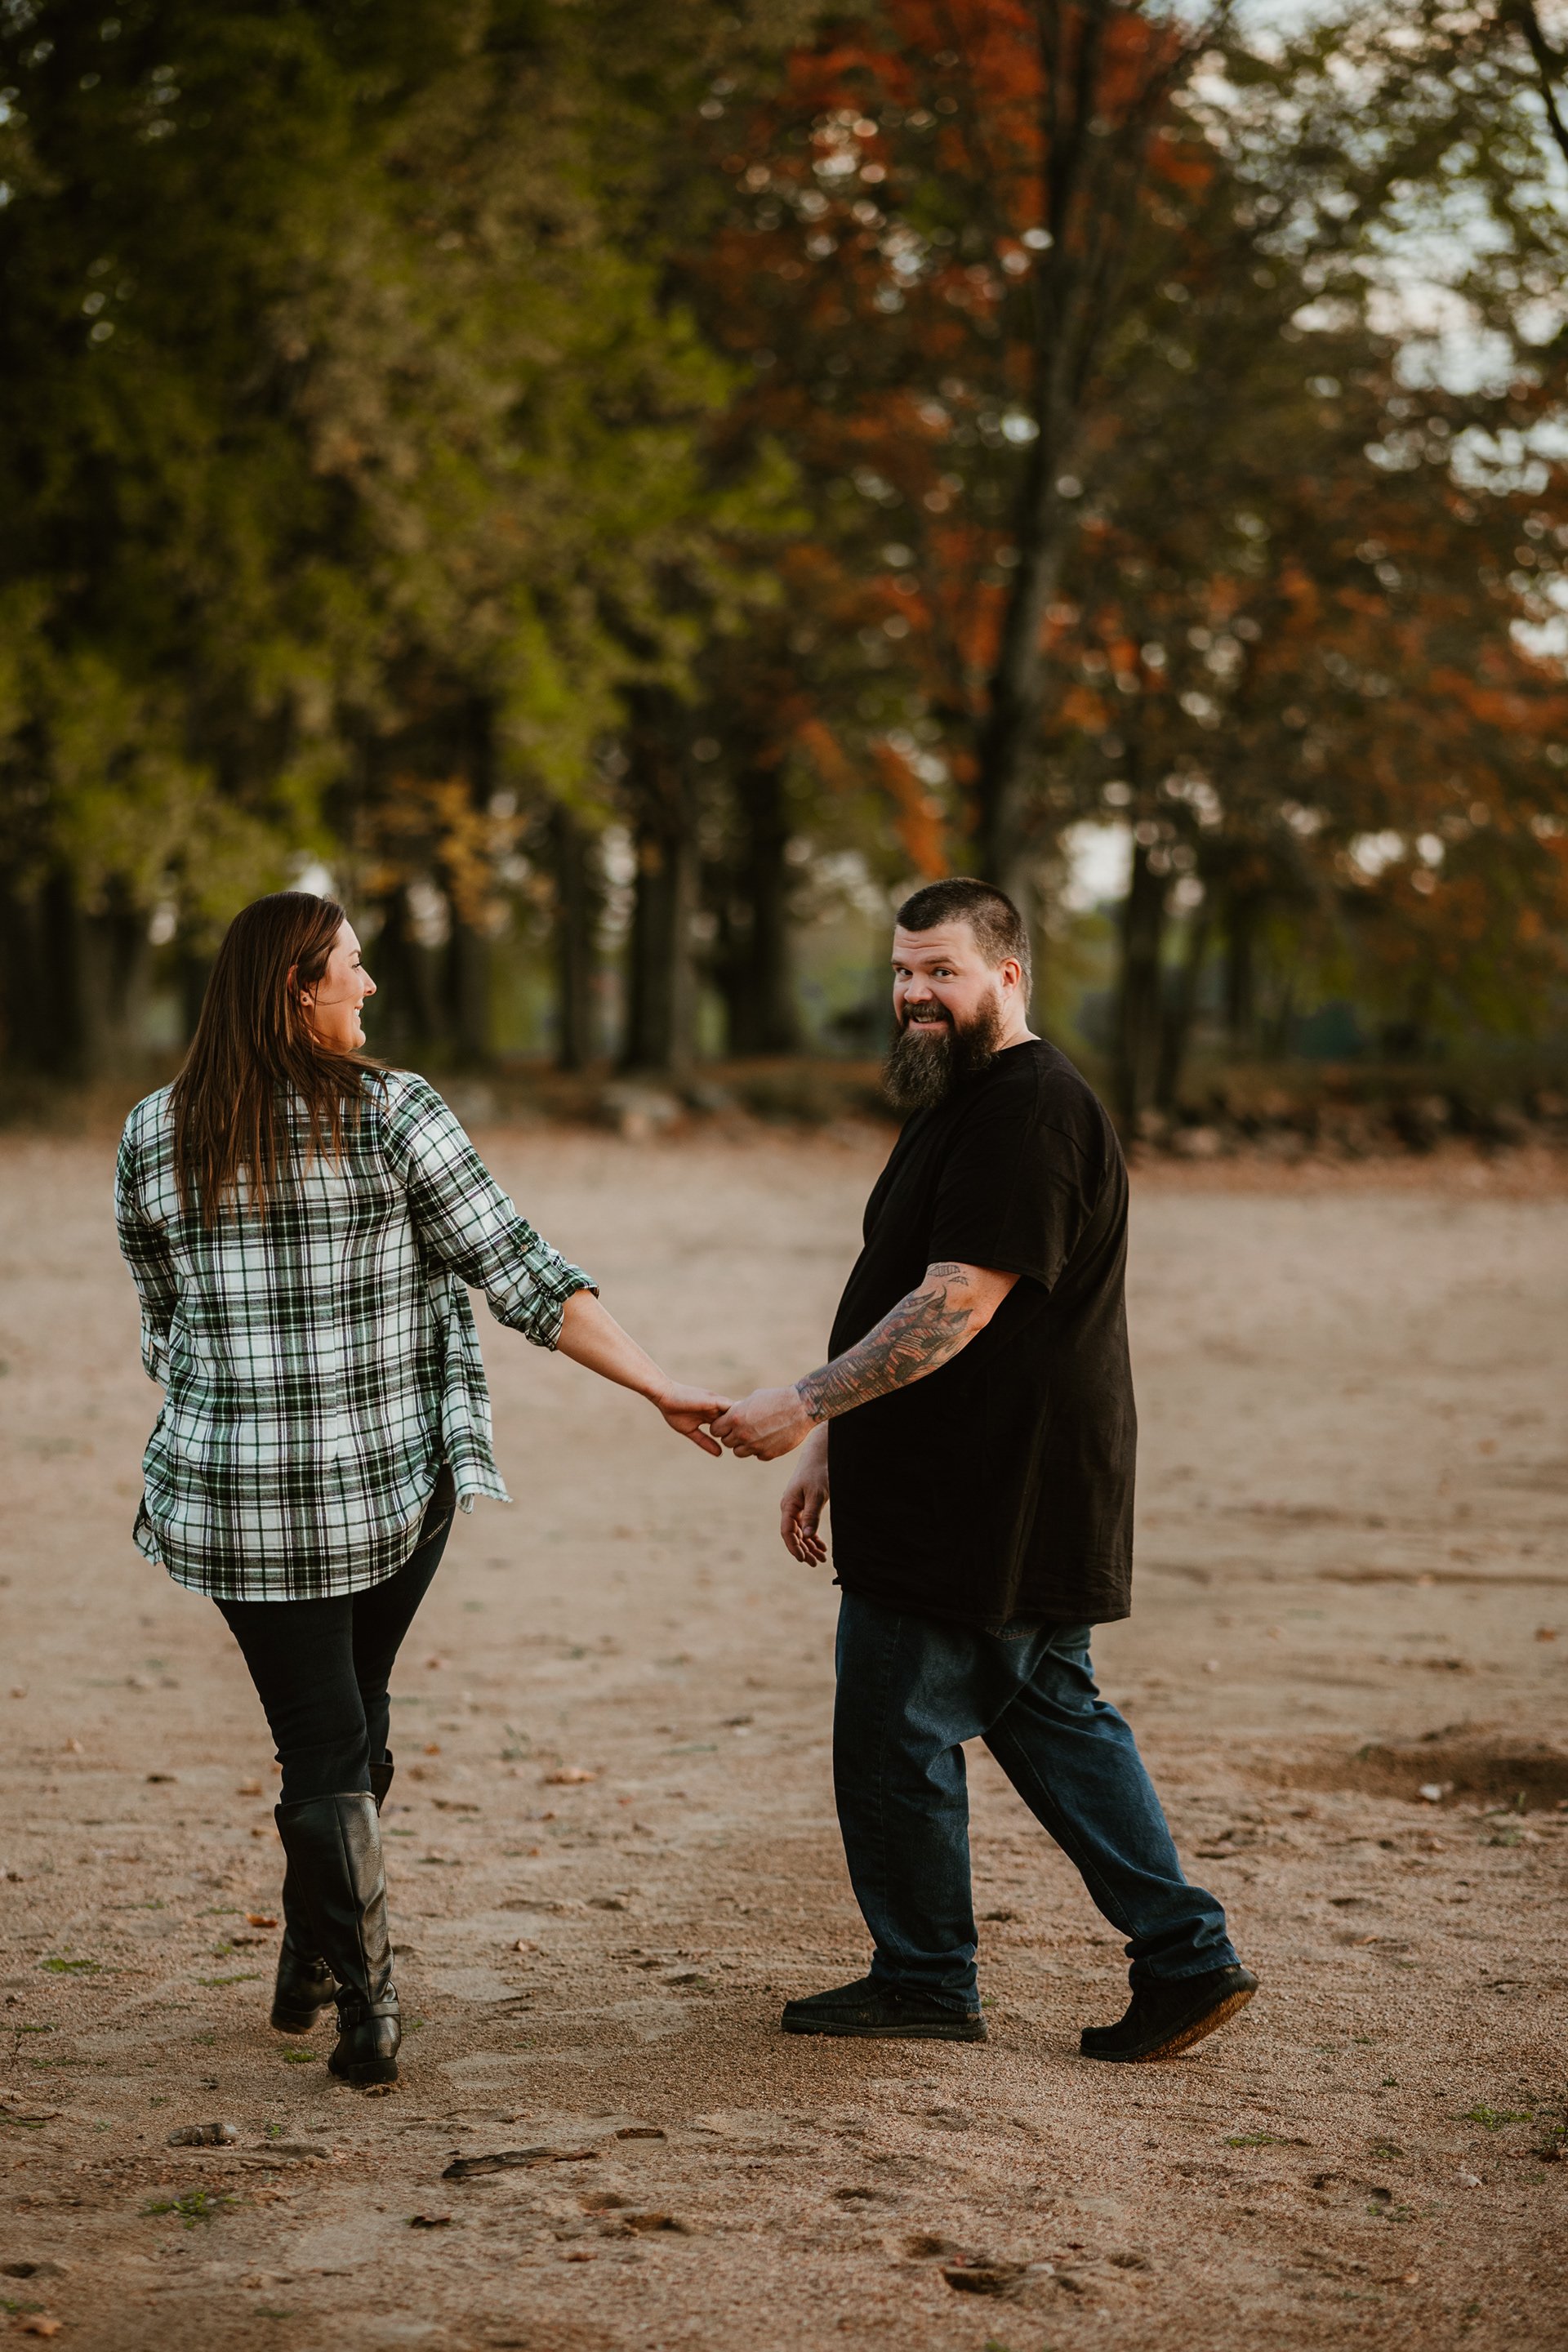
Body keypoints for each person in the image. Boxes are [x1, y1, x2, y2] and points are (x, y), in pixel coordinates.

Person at [115, 892, 728, 2087]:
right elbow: (523, 1272)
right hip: (388, 1486)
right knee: (346, 1729)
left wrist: (246, 1403)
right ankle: (370, 2010)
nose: (370, 984)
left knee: (332, 1728)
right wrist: (659, 1386)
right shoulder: (393, 1112)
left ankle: (317, 1951)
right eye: (352, 965)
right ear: (297, 987)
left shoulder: (152, 1129)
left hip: (235, 1497)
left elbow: (162, 1322)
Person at [711, 877, 1256, 2062]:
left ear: (1007, 976)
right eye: (902, 972)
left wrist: (802, 1402)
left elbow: (956, 1303)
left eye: (941, 972)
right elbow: (910, 1285)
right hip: (988, 1485)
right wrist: (835, 1444)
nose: (915, 994)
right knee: (1052, 1715)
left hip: (982, 1494)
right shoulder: (965, 1099)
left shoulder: (1030, 1112)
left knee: (893, 1732)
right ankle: (1186, 1956)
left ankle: (925, 1980)